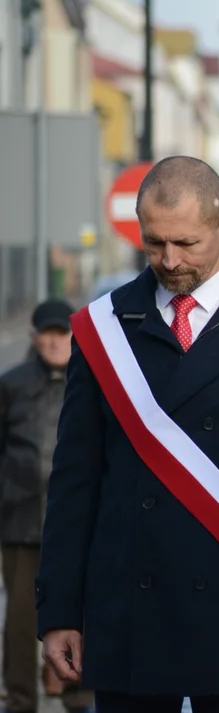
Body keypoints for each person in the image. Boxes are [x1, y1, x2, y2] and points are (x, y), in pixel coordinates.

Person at [35, 156, 219, 713]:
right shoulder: (102, 327)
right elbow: (75, 482)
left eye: (186, 243)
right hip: (131, 610)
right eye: (153, 243)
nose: (169, 261)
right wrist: (59, 611)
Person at [0, 300, 95, 713]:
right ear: (35, 337)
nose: (56, 342)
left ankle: (80, 696)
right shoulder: (12, 385)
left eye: (63, 333)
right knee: (21, 622)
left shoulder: (93, 379)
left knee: (81, 614)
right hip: (21, 523)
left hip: (77, 525)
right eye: (49, 333)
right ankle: (20, 700)